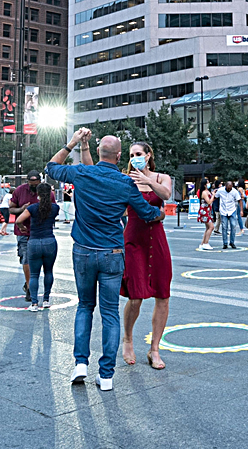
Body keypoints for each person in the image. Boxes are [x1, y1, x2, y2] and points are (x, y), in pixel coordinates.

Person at [46, 128, 165, 391]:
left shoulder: (82, 173)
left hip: (83, 251)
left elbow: (51, 167)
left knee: (84, 307)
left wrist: (73, 143)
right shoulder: (125, 183)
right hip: (112, 252)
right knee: (109, 313)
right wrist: (160, 215)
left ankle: (80, 364)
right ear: (120, 156)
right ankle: (107, 374)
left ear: (99, 151)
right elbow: (146, 213)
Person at [116, 142, 173, 371]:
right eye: (131, 155)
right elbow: (118, 208)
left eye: (139, 154)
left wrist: (148, 181)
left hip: (157, 240)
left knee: (163, 295)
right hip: (133, 239)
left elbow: (166, 195)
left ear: (148, 155)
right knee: (136, 295)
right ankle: (128, 339)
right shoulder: (125, 180)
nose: (135, 158)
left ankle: (155, 348)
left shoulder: (161, 177)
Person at [9, 171, 54, 301]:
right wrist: (21, 209)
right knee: (26, 259)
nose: (34, 187)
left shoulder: (47, 194)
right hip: (24, 232)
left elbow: (52, 209)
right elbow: (11, 209)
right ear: (27, 181)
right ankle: (29, 287)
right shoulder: (19, 191)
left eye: (36, 184)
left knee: (42, 263)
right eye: (31, 184)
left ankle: (34, 288)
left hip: (41, 232)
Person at [15, 183, 59, 312]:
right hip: (49, 241)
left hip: (34, 242)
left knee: (34, 274)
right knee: (49, 272)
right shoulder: (55, 208)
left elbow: (18, 220)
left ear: (38, 194)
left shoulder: (32, 208)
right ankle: (46, 300)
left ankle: (34, 303)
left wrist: (22, 227)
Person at [214, 181, 241, 249]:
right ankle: (225, 243)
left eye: (230, 188)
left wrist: (241, 211)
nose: (229, 189)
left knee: (233, 226)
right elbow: (215, 197)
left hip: (232, 210)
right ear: (225, 186)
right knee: (224, 227)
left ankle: (232, 242)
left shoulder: (234, 191)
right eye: (228, 188)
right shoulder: (220, 190)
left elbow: (239, 200)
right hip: (223, 211)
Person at [196, 179, 215, 250]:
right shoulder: (204, 192)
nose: (209, 184)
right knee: (211, 227)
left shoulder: (207, 191)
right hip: (204, 211)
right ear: (204, 185)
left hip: (207, 211)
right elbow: (209, 202)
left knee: (208, 227)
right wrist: (213, 195)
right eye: (207, 183)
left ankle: (203, 243)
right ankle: (206, 243)